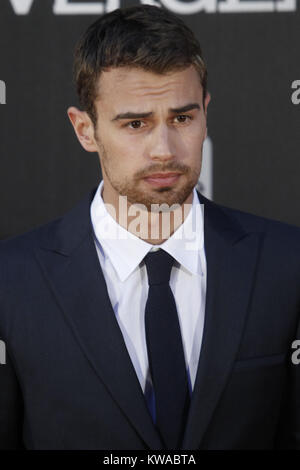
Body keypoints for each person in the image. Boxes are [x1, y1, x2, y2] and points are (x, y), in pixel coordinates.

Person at [0, 5, 300, 451]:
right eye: (136, 124)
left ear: (205, 113)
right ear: (85, 129)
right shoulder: (11, 280)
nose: (164, 150)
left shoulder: (287, 263)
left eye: (182, 118)